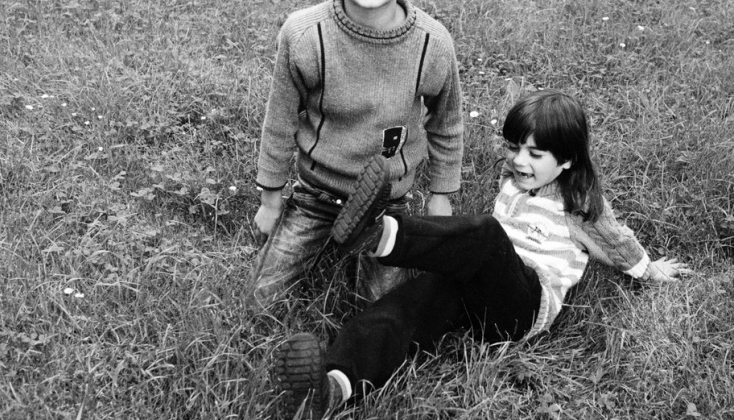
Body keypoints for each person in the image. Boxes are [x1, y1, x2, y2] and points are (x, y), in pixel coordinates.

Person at [274, 90, 691, 419]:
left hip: (522, 307)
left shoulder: (577, 200)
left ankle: (379, 236)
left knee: (487, 236)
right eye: (513, 148)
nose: (518, 160)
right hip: (476, 298)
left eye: (534, 154)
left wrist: (648, 269)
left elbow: (615, 240)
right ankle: (334, 386)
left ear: (566, 160)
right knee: (404, 305)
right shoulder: (512, 182)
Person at [246, 0, 465, 313]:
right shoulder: (303, 35)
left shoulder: (432, 44)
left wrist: (441, 195)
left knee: (383, 312)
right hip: (317, 194)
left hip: (388, 200)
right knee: (261, 302)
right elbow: (279, 121)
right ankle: (314, 231)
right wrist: (270, 201)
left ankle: (373, 246)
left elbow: (448, 122)